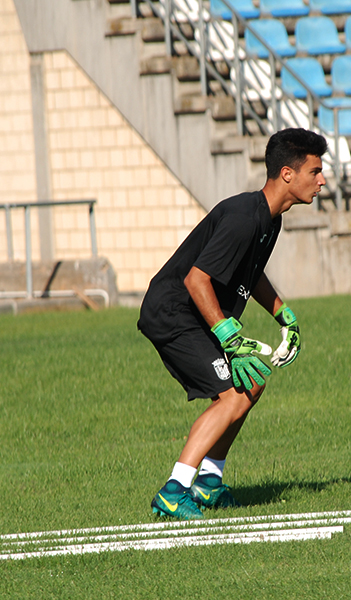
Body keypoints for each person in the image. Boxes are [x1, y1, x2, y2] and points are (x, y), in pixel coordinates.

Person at [137, 128, 328, 519]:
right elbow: (196, 279)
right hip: (174, 311)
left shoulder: (269, 219)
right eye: (316, 171)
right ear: (288, 175)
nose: (322, 181)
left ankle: (209, 483)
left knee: (251, 384)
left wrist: (283, 315)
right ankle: (175, 490)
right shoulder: (244, 217)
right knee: (232, 395)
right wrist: (229, 334)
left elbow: (250, 272)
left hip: (196, 312)